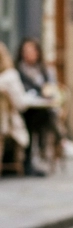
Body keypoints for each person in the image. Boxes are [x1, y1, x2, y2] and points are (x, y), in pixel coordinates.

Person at [16, 38, 64, 173]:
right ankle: (52, 143)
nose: (28, 54)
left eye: (31, 51)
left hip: (43, 108)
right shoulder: (19, 71)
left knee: (45, 116)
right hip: (25, 111)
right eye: (25, 51)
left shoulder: (45, 70)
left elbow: (52, 89)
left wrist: (48, 93)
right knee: (38, 119)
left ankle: (42, 155)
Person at [0, 41, 32, 169]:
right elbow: (21, 104)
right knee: (37, 119)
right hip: (6, 123)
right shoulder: (10, 77)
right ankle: (27, 163)